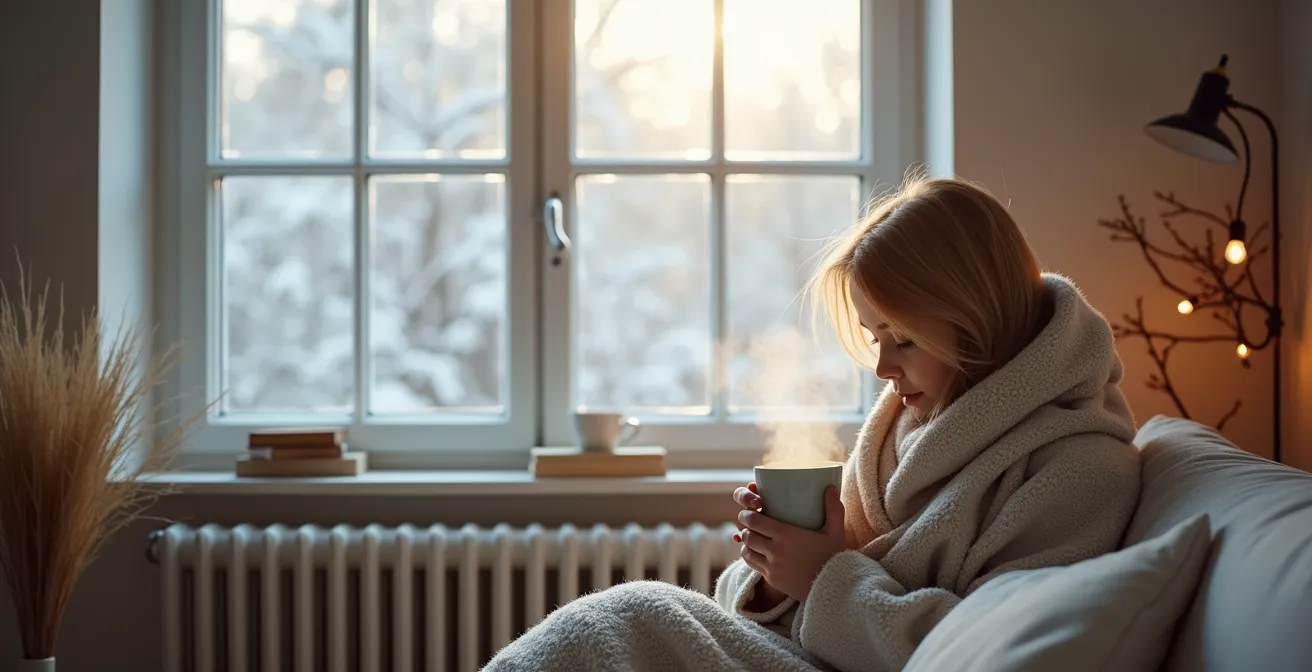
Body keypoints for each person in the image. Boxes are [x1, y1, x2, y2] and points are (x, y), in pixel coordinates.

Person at [482, 175, 1142, 672]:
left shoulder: (1078, 470)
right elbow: (820, 586)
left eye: (902, 340)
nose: (881, 366)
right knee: (631, 617)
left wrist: (825, 579)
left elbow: (989, 650)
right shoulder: (905, 433)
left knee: (631, 620)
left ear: (976, 318)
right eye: (873, 336)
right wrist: (773, 572)